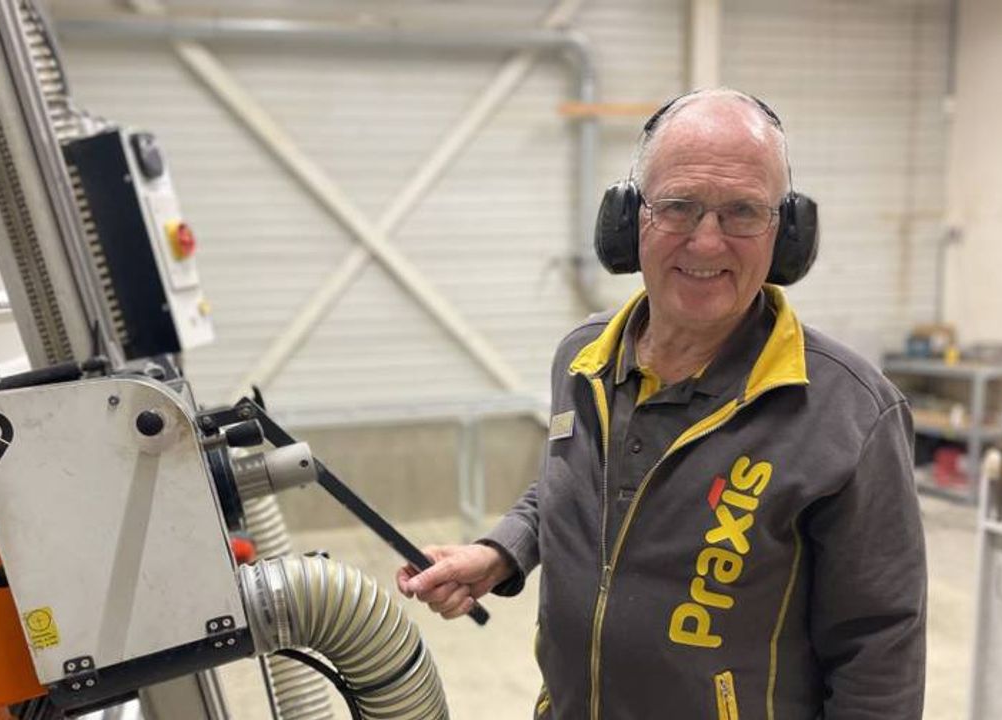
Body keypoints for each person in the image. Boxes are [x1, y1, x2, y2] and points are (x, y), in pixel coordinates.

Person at [396, 88, 926, 719]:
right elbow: (575, 487)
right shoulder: (585, 358)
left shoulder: (851, 415)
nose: (707, 242)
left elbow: (880, 651)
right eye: (678, 207)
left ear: (786, 233)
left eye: (742, 212)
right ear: (628, 220)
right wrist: (502, 550)